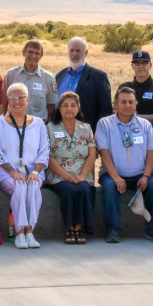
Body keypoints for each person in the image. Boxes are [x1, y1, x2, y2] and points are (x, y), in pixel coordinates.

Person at [95, 87, 153, 243]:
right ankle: (113, 230)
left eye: (131, 102)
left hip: (141, 173)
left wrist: (146, 176)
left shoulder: (145, 125)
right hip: (112, 174)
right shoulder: (104, 124)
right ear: (115, 104)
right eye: (123, 102)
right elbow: (104, 153)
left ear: (136, 105)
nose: (127, 105)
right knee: (109, 188)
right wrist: (116, 177)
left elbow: (151, 153)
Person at [0, 84, 51, 249]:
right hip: (5, 173)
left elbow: (44, 150)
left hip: (33, 172)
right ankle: (19, 233)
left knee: (32, 186)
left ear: (27, 100)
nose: (17, 102)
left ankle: (30, 232)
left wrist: (36, 172)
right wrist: (12, 173)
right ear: (8, 101)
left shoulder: (38, 123)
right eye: (13, 98)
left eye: (20, 98)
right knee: (19, 187)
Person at [45, 92, 96, 244]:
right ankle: (69, 228)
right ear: (59, 108)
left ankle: (79, 228)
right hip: (58, 176)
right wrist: (67, 176)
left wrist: (81, 176)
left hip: (82, 175)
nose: (69, 109)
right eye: (65, 105)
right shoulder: (50, 128)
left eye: (73, 105)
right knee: (70, 190)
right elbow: (48, 156)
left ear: (78, 108)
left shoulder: (86, 128)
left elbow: (92, 155)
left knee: (83, 189)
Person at [55, 37, 113, 132]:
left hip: (85, 134)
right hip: (60, 133)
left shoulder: (99, 77)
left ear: (86, 53)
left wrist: (98, 135)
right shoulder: (60, 75)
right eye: (71, 50)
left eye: (78, 51)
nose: (74, 54)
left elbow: (105, 110)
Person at [5, 40, 58, 122]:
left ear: (41, 56)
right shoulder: (11, 75)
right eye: (30, 52)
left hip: (37, 127)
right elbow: (5, 101)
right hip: (13, 125)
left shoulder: (49, 78)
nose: (33, 56)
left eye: (37, 53)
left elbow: (51, 106)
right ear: (23, 53)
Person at [123, 50, 153, 120]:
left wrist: (138, 118)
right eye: (137, 63)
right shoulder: (124, 87)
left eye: (144, 63)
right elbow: (116, 110)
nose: (141, 66)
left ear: (150, 65)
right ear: (132, 66)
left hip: (152, 129)